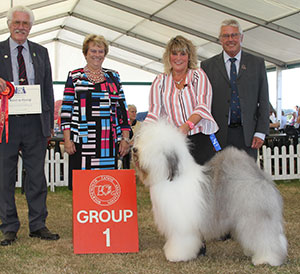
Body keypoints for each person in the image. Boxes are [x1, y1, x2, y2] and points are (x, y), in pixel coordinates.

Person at [0, 6, 59, 246]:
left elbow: (47, 89)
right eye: (17, 22)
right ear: (8, 24)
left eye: (25, 23)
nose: (21, 27)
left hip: (36, 123)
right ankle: (9, 227)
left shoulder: (41, 52)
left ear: (31, 26)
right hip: (5, 124)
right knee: (4, 177)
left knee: (37, 176)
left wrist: (49, 124)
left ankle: (38, 224)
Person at [60, 34, 130, 189]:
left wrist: (125, 139)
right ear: (85, 53)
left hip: (108, 141)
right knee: (82, 187)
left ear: (105, 54)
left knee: (106, 184)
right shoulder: (75, 76)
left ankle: (104, 212)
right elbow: (66, 110)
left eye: (100, 51)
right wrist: (67, 139)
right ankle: (83, 213)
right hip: (82, 141)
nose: (97, 55)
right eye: (93, 51)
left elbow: (122, 110)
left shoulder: (114, 76)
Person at [201, 19, 269, 160]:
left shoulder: (257, 63)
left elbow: (263, 99)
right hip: (218, 137)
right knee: (219, 179)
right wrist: (210, 137)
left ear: (241, 37)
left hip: (249, 137)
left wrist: (261, 132)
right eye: (226, 36)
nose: (230, 39)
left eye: (234, 35)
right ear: (220, 39)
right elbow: (204, 104)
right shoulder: (207, 66)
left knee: (247, 179)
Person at [145, 35, 218, 165]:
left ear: (189, 56)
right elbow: (153, 113)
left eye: (183, 54)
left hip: (199, 140)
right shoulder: (160, 80)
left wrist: (187, 126)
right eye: (174, 53)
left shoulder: (198, 75)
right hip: (171, 142)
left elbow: (202, 106)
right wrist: (143, 135)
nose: (178, 58)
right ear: (168, 56)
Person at [122, 104, 142, 169]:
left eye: (135, 112)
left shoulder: (140, 125)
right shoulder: (120, 125)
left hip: (136, 154)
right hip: (122, 154)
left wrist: (132, 143)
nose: (134, 114)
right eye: (132, 112)